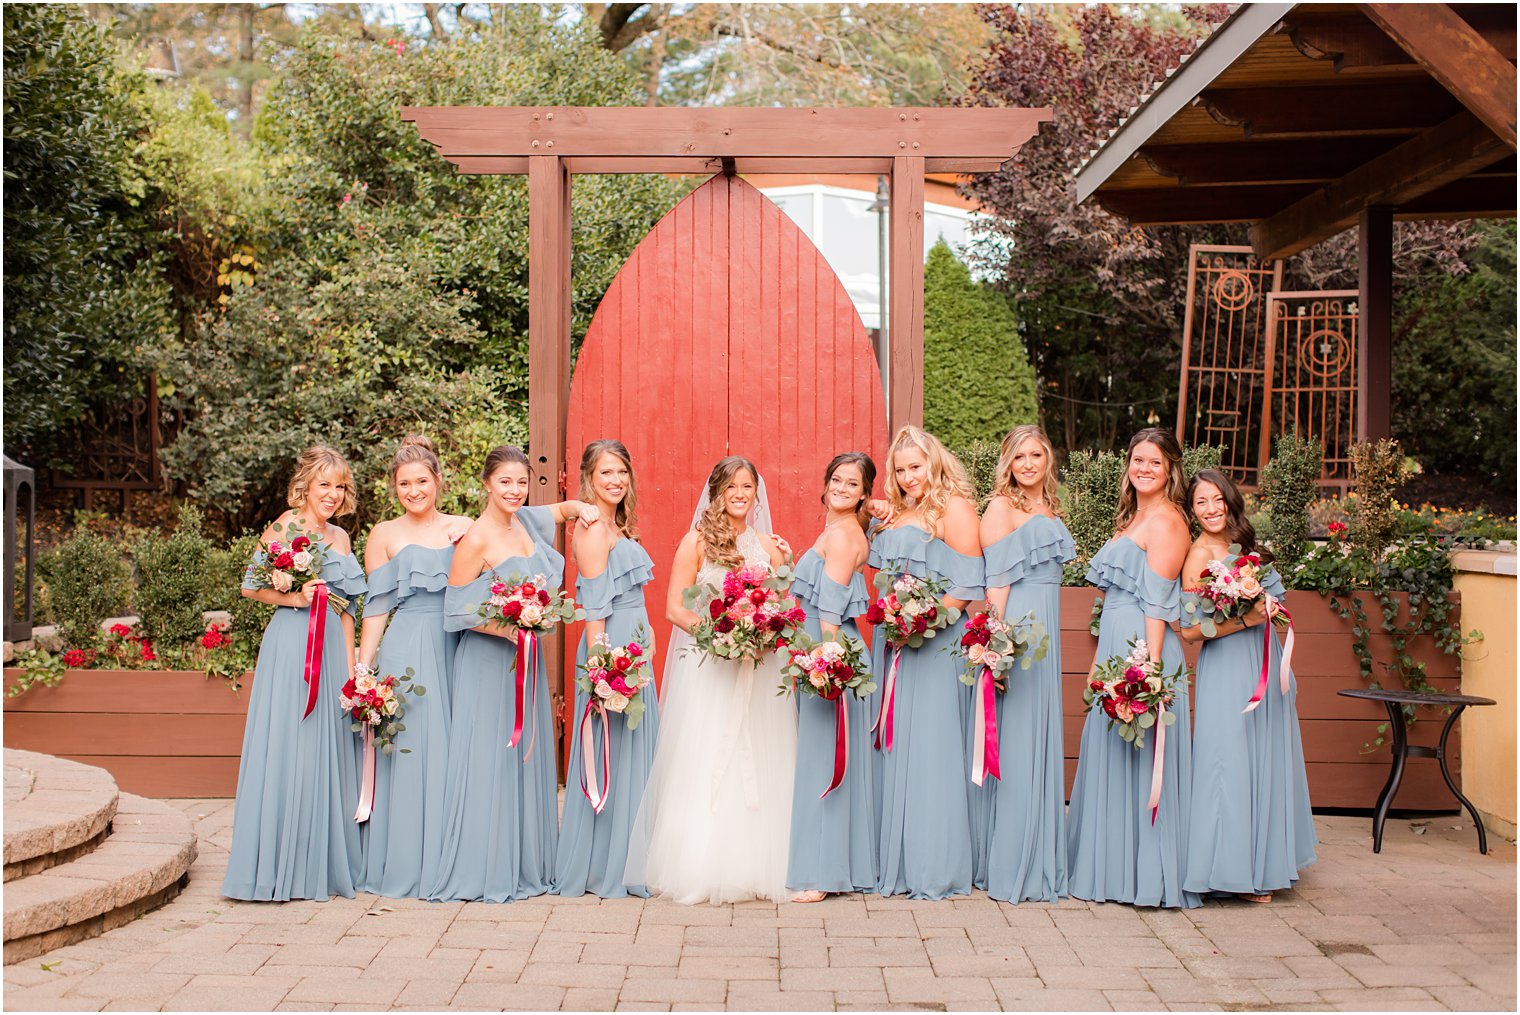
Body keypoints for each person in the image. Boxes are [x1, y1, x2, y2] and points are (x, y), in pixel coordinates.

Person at [426, 445, 598, 903]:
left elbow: (562, 509)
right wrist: (512, 627)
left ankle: (527, 863)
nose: (515, 490)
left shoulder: (526, 520)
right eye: (505, 482)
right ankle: (485, 869)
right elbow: (455, 609)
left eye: (521, 482)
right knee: (491, 758)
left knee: (525, 755)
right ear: (486, 484)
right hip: (488, 662)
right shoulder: (476, 538)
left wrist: (587, 508)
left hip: (526, 661)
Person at [625, 456, 798, 904]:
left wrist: (761, 630)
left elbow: (785, 603)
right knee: (706, 757)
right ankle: (702, 865)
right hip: (712, 666)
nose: (740, 494)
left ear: (757, 493)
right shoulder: (696, 542)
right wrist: (720, 635)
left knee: (762, 753)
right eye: (731, 487)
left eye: (748, 486)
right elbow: (674, 609)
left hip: (759, 669)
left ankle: (759, 865)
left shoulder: (769, 546)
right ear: (717, 493)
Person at [223, 446, 368, 901]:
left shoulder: (341, 538)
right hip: (292, 645)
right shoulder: (285, 526)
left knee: (326, 746)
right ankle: (276, 865)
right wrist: (294, 599)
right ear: (305, 486)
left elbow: (348, 609)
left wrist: (349, 667)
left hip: (329, 651)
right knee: (291, 744)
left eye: (339, 485)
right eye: (324, 484)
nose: (331, 493)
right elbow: (250, 586)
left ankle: (319, 864)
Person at [1067, 427, 1201, 909]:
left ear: (1171, 471)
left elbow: (1160, 605)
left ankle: (1144, 875)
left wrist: (1145, 671)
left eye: (1155, 462)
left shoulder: (1167, 521)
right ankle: (1110, 868)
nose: (1143, 468)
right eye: (1137, 459)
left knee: (1141, 760)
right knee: (1113, 754)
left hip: (1143, 649)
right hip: (1116, 644)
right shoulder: (1135, 516)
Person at [1180, 469, 1317, 903]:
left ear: (1230, 501)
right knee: (1229, 762)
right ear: (1192, 510)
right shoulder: (1197, 555)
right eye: (1201, 502)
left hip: (1265, 660)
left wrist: (1267, 609)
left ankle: (1266, 863)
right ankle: (1230, 871)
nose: (1211, 508)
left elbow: (1275, 605)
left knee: (1263, 758)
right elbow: (1190, 631)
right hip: (1227, 668)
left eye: (1217, 499)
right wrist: (1245, 618)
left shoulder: (1247, 548)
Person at [354, 435, 472, 898]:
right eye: (405, 483)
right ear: (394, 487)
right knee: (411, 749)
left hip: (456, 644)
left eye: (422, 480)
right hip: (406, 648)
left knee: (453, 746)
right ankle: (406, 860)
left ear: (438, 481)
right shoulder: (383, 534)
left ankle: (451, 856)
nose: (414, 490)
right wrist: (363, 672)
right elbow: (377, 608)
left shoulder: (463, 525)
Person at [869, 426, 984, 900]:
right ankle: (890, 858)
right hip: (892, 641)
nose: (908, 475)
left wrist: (927, 619)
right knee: (893, 744)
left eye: (916, 466)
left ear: (934, 463)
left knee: (932, 746)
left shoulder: (953, 508)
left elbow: (970, 580)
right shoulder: (893, 513)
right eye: (900, 469)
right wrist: (897, 620)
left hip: (934, 642)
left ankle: (933, 864)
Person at [555, 440, 662, 899]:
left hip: (635, 650)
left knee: (634, 752)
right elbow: (594, 611)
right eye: (605, 474)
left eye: (621, 472)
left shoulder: (620, 525)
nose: (615, 481)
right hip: (611, 652)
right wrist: (602, 672)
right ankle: (607, 867)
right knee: (611, 755)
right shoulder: (594, 530)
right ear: (588, 479)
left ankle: (632, 859)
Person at [978, 425, 1073, 903]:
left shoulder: (1052, 509)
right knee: (1015, 743)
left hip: (1048, 635)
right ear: (1008, 464)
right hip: (1018, 632)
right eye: (1020, 457)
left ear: (1048, 459)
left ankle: (1042, 855)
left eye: (1036, 454)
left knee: (1039, 738)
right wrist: (996, 642)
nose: (1029, 464)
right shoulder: (1000, 508)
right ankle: (1013, 860)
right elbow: (996, 581)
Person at [785, 453, 879, 902]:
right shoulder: (844, 529)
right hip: (827, 648)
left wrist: (825, 665)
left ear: (864, 492)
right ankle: (841, 864)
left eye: (852, 483)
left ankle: (822, 874)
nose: (842, 487)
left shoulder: (843, 536)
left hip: (831, 650)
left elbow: (829, 610)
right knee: (829, 760)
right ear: (826, 484)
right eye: (836, 479)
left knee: (825, 763)